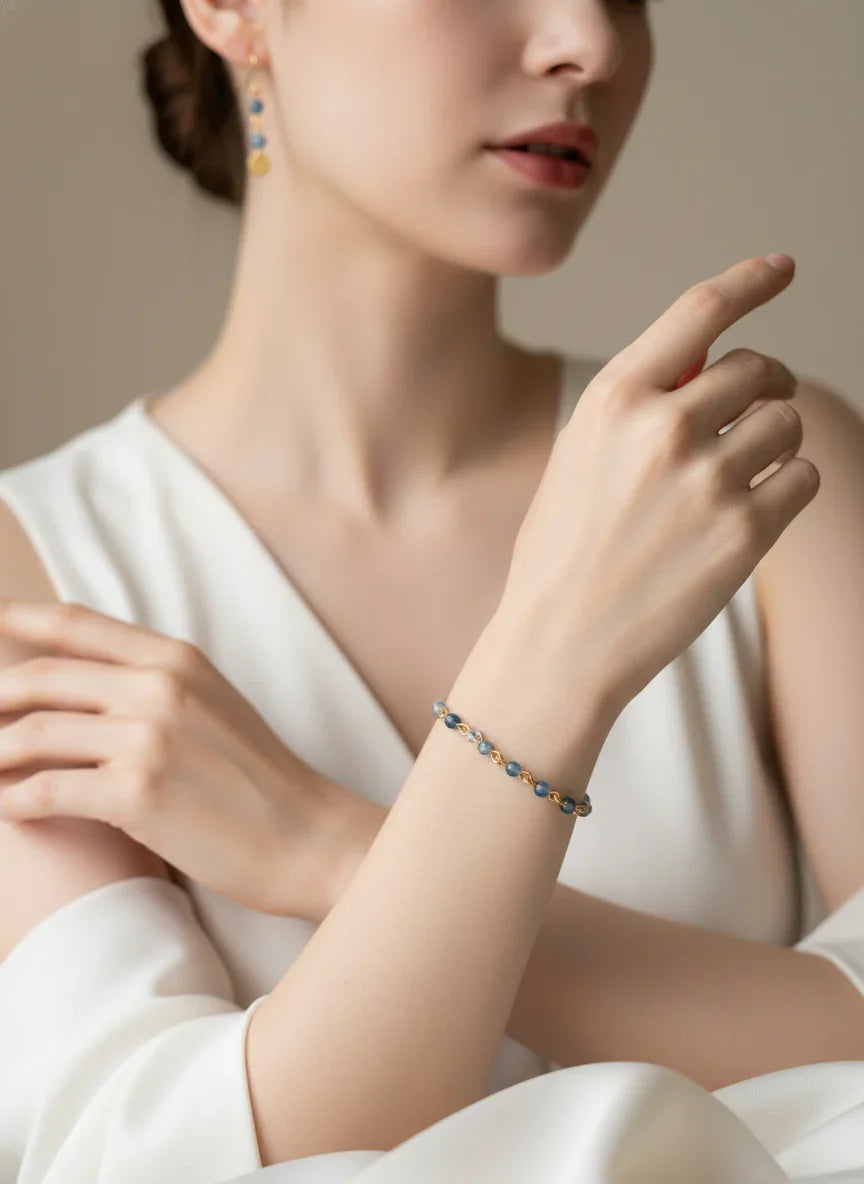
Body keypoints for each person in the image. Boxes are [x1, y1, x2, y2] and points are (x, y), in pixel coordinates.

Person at [0, 1, 862, 1181]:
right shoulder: (33, 565)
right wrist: (540, 686)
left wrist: (328, 846)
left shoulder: (751, 468)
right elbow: (160, 1162)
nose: (588, 42)